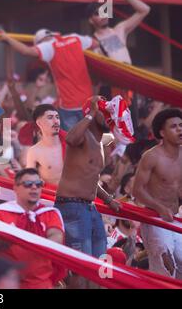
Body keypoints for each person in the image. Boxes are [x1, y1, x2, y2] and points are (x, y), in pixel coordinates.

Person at [54, 96, 121, 288]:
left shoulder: (100, 142)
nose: (109, 117)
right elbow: (70, 138)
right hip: (72, 206)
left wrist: (109, 200)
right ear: (91, 112)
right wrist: (91, 113)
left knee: (101, 266)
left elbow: (91, 180)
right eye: (105, 113)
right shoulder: (82, 136)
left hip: (89, 208)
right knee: (80, 267)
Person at [0, 28, 99, 131]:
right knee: (94, 141)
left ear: (40, 43)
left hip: (70, 106)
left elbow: (26, 51)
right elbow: (96, 44)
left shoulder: (48, 46)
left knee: (72, 143)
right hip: (89, 102)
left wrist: (7, 38)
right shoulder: (75, 38)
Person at [0, 168, 65, 289]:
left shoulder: (50, 213)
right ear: (16, 188)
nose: (34, 187)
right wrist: (14, 234)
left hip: (41, 283)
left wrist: (27, 235)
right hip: (7, 283)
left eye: (38, 184)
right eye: (28, 184)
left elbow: (56, 242)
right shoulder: (0, 212)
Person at [132, 108, 182, 279]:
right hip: (155, 220)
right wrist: (159, 208)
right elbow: (137, 190)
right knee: (165, 268)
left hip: (176, 217)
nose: (180, 130)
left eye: (181, 125)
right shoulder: (151, 156)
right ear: (162, 132)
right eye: (174, 126)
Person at [87, 0, 150, 66]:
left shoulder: (119, 29)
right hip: (115, 76)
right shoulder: (93, 42)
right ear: (91, 20)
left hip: (130, 73)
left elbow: (145, 10)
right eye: (97, 13)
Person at [26, 104, 66, 186]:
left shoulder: (71, 142)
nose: (56, 121)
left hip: (76, 194)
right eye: (50, 117)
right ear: (39, 123)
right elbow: (29, 177)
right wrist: (37, 180)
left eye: (57, 117)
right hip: (51, 196)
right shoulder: (34, 151)